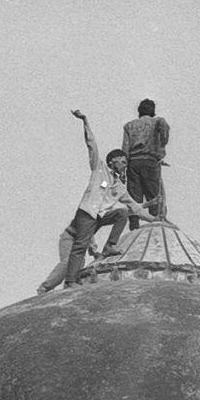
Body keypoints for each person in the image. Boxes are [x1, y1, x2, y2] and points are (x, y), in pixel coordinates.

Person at [63, 109, 154, 289]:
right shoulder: (100, 169)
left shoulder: (119, 186)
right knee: (80, 246)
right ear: (113, 161)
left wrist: (153, 219)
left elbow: (134, 207)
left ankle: (110, 246)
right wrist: (85, 121)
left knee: (121, 213)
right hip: (87, 213)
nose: (125, 165)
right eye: (123, 162)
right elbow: (91, 145)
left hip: (98, 217)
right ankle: (70, 281)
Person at [122, 98, 170, 230]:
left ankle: (134, 224)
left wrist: (122, 170)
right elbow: (164, 132)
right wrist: (161, 149)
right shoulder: (157, 121)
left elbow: (125, 149)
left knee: (134, 196)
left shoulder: (129, 126)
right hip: (150, 161)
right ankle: (157, 221)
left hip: (133, 162)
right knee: (154, 193)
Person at [37, 222, 99, 295]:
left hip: (79, 240)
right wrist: (94, 251)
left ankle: (68, 286)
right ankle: (44, 287)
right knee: (69, 262)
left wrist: (93, 250)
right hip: (69, 237)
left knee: (80, 262)